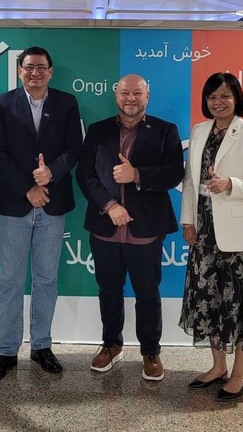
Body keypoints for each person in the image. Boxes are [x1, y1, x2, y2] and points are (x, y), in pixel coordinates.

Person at [76, 74, 184, 381]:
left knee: (147, 293)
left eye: (137, 93)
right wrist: (110, 205)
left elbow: (174, 173)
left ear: (147, 96)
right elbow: (85, 175)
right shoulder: (98, 131)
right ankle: (111, 344)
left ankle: (150, 351)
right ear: (116, 95)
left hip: (146, 229)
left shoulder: (165, 130)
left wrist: (136, 174)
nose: (131, 99)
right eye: (125, 93)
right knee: (109, 290)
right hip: (105, 226)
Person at [0, 46, 83, 382]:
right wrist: (28, 187)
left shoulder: (66, 103)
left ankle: (41, 345)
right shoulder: (3, 103)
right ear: (19, 71)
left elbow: (74, 149)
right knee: (10, 281)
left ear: (51, 72)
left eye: (41, 67)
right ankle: (6, 350)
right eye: (29, 67)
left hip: (53, 202)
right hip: (16, 203)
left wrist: (51, 173)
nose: (35, 73)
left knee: (46, 279)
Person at [179, 71, 243, 401]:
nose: (218, 102)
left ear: (236, 98)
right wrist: (188, 221)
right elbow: (190, 182)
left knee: (240, 305)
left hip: (237, 238)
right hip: (204, 233)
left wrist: (230, 184)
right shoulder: (199, 130)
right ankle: (218, 366)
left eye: (224, 96)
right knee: (209, 301)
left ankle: (239, 373)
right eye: (212, 97)